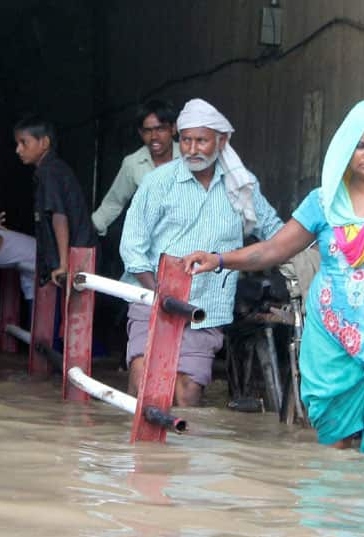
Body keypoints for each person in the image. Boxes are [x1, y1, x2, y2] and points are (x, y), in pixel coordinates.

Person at [182, 100, 364, 459]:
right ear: (345, 148)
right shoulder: (323, 202)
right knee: (334, 450)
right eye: (361, 146)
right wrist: (220, 259)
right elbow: (273, 250)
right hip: (332, 343)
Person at [120, 98, 284, 406]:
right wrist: (159, 295)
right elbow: (132, 247)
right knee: (144, 379)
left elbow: (275, 232)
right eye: (186, 140)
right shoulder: (159, 182)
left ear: (221, 141)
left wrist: (318, 246)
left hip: (206, 306)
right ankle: (135, 454)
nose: (192, 149)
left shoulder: (241, 186)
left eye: (201, 141)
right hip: (151, 298)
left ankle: (182, 454)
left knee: (188, 392)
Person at [13, 114, 98, 286]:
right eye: (17, 144)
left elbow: (59, 216)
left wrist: (63, 265)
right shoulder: (50, 170)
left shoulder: (50, 172)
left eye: (24, 143)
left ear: (44, 143)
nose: (18, 149)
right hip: (74, 256)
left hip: (77, 259)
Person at [92, 99, 180, 237]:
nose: (154, 137)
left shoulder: (188, 158)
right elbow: (114, 202)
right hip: (149, 242)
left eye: (160, 129)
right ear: (140, 133)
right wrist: (87, 229)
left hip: (187, 242)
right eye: (147, 131)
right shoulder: (132, 163)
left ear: (173, 129)